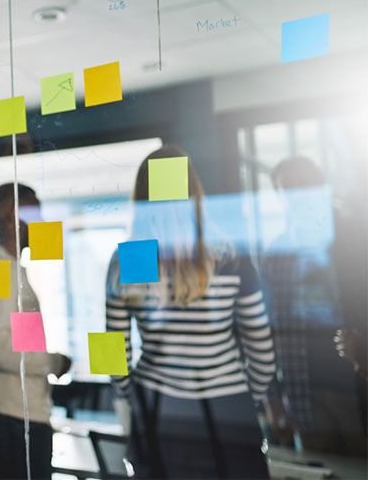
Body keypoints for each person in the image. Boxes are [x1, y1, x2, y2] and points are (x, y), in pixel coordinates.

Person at [105, 145, 275, 479]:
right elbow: (262, 351)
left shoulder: (132, 256)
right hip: (229, 411)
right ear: (193, 189)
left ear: (142, 195)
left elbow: (110, 352)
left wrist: (131, 395)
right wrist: (242, 392)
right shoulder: (230, 254)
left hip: (158, 410)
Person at [261, 155, 367, 455]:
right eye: (287, 190)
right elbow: (266, 330)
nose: (297, 197)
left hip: (359, 385)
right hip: (305, 393)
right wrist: (272, 399)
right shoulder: (276, 254)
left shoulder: (356, 239)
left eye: (304, 186)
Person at [0, 183, 71, 480]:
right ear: (10, 217)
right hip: (10, 415)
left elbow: (18, 341)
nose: (40, 222)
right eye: (33, 213)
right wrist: (52, 362)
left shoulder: (13, 268)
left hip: (21, 411)